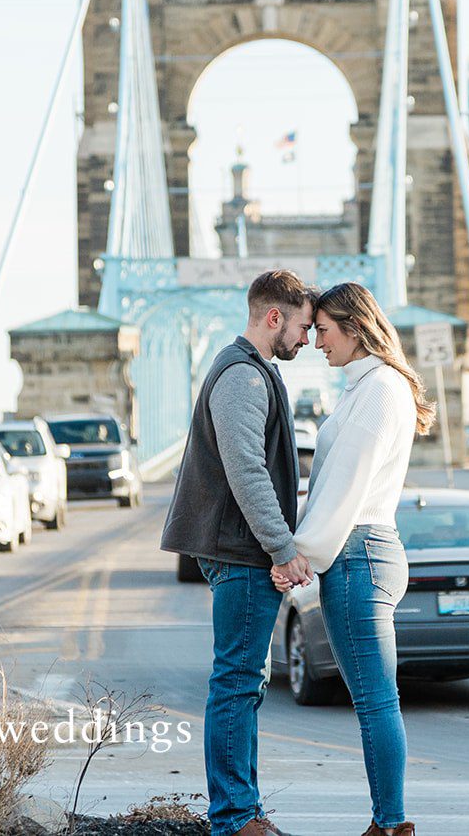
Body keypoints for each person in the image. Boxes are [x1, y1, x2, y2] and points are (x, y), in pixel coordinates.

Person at [160, 269, 318, 836]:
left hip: (242, 549)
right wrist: (281, 548)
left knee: (245, 683)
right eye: (302, 327)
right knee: (235, 682)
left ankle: (243, 810)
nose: (307, 340)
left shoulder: (251, 373)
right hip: (242, 551)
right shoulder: (243, 380)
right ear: (273, 317)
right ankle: (233, 818)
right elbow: (247, 470)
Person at [274, 282, 434, 836]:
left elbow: (347, 482)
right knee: (371, 699)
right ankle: (385, 821)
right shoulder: (364, 387)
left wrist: (300, 555)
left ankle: (390, 824)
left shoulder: (380, 389)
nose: (315, 341)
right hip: (357, 551)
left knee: (375, 700)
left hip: (360, 551)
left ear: (355, 328)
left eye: (322, 329)